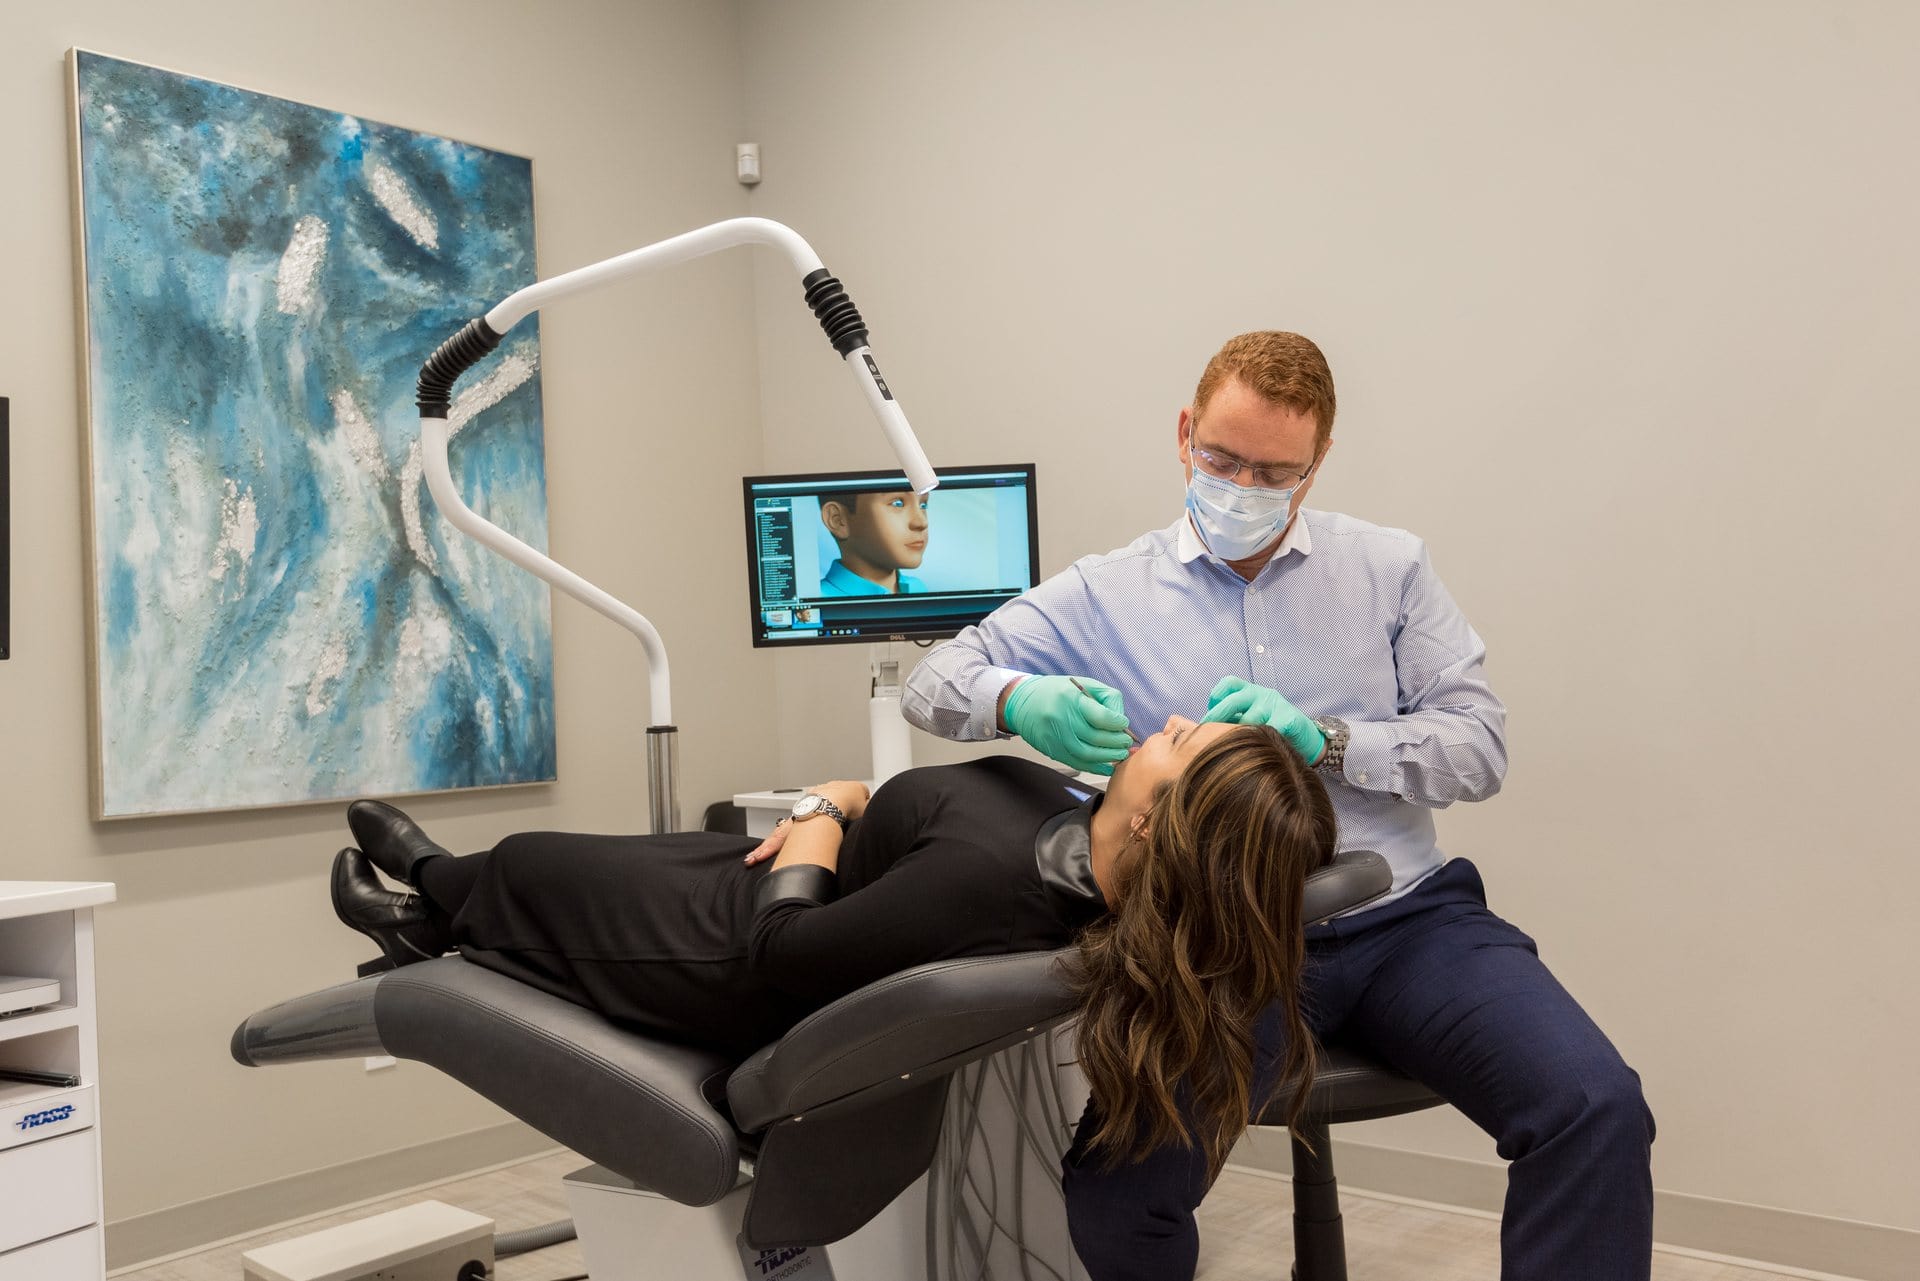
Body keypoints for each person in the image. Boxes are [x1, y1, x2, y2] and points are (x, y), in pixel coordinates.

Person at [902, 331, 1655, 1281]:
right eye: (1221, 457)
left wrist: (1333, 739)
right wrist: (1018, 699)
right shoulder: (1106, 593)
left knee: (1596, 1106)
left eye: (1274, 470)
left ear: (1318, 461)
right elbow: (936, 681)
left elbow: (1480, 746)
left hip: (1406, 921)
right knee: (1116, 1192)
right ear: (1184, 433)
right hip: (1225, 942)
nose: (1241, 484)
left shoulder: (1389, 571)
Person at [331, 718, 1336, 1177]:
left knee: (532, 867)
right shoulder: (1088, 821)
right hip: (802, 868)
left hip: (730, 944)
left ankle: (424, 903)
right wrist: (853, 806)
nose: (1167, 721)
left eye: (1181, 742)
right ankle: (428, 916)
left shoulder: (987, 894)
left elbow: (781, 950)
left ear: (1161, 823)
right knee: (614, 855)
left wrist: (821, 806)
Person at [816, 489, 928, 595]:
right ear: (838, 520)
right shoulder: (816, 601)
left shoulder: (918, 588)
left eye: (923, 505)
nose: (922, 523)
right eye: (897, 503)